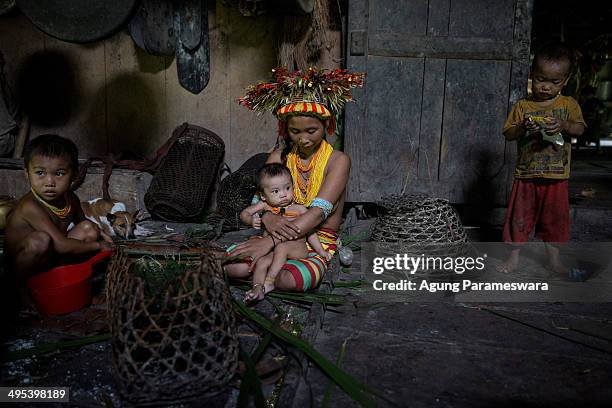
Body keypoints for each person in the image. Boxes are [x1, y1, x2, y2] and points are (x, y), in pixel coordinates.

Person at [226, 67, 364, 294]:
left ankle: (268, 275)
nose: (304, 139)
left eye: (311, 130)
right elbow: (258, 201)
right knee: (233, 265)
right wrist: (268, 217)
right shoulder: (279, 157)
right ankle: (268, 274)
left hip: (317, 239)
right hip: (274, 233)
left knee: (291, 279)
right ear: (284, 129)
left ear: (326, 126)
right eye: (295, 131)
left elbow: (318, 213)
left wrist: (269, 242)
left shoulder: (338, 161)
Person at [500, 43, 585, 274]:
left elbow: (579, 130)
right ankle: (514, 258)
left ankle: (554, 261)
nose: (546, 86)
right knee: (519, 217)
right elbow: (508, 133)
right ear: (531, 76)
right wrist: (522, 128)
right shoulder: (523, 106)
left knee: (555, 219)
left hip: (556, 176)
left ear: (565, 81)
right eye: (540, 79)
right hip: (526, 173)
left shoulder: (568, 105)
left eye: (554, 82)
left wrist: (564, 124)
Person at [5, 134, 113, 284]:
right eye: (40, 173)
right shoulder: (30, 206)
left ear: (74, 175)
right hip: (21, 265)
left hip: (50, 257)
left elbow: (85, 224)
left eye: (59, 173)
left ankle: (61, 274)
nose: (49, 182)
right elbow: (61, 245)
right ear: (27, 174)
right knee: (40, 240)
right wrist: (99, 246)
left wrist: (103, 236)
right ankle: (20, 288)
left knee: (89, 228)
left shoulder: (71, 199)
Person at [239, 163, 332, 301]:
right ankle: (257, 287)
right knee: (262, 261)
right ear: (263, 196)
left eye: (287, 188)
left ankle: (269, 282)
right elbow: (244, 213)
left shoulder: (299, 210)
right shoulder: (265, 206)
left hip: (296, 249)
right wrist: (251, 220)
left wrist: (320, 251)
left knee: (282, 247)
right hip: (272, 250)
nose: (283, 194)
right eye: (276, 191)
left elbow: (310, 232)